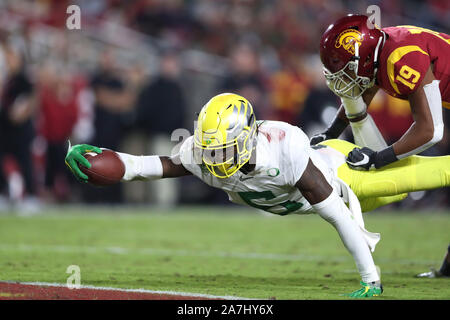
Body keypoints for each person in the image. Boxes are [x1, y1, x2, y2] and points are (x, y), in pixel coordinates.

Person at [65, 93, 450, 297]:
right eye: (210, 149)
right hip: (320, 196)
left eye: (223, 149)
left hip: (347, 177)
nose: (214, 159)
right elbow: (157, 166)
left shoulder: (284, 147)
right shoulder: (204, 152)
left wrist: (371, 280)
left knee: (433, 175)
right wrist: (114, 164)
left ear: (248, 139)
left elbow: (335, 213)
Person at [311, 14, 450, 278]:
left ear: (361, 55)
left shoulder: (401, 58)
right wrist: (331, 133)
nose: (344, 77)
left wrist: (378, 158)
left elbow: (430, 131)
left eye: (346, 68)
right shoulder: (378, 51)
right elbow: (363, 94)